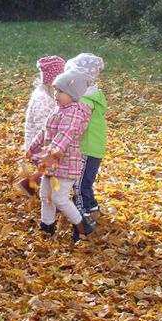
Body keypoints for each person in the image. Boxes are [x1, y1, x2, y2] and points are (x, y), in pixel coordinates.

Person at [26, 70, 91, 243]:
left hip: (66, 163)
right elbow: (45, 131)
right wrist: (33, 147)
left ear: (73, 94)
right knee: (45, 194)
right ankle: (47, 225)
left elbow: (65, 135)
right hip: (52, 163)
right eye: (55, 90)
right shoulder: (59, 110)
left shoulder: (74, 113)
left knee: (59, 198)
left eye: (60, 91)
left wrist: (51, 152)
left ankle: (81, 224)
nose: (56, 94)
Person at [65, 54, 107, 228]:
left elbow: (77, 126)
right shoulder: (93, 96)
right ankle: (93, 208)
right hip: (93, 147)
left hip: (87, 148)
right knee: (85, 182)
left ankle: (83, 215)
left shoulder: (83, 102)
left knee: (80, 183)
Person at [19, 55, 66, 196]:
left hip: (42, 142)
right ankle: (31, 187)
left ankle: (37, 189)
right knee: (48, 168)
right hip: (39, 143)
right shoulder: (43, 100)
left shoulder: (47, 95)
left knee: (47, 169)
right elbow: (43, 128)